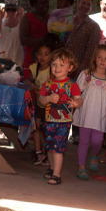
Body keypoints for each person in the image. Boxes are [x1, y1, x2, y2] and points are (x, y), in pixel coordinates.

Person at [73, 44, 106, 180]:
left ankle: (94, 155)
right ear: (95, 58)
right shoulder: (86, 75)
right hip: (85, 115)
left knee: (97, 140)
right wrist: (74, 102)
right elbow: (76, 91)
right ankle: (81, 167)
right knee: (83, 141)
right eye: (100, 57)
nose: (102, 61)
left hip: (100, 118)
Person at [38, 48, 82, 185]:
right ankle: (51, 168)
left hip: (64, 122)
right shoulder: (48, 83)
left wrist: (76, 103)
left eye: (62, 65)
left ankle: (57, 175)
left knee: (58, 147)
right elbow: (41, 99)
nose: (57, 68)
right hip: (49, 120)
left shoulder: (72, 84)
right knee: (50, 146)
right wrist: (48, 98)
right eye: (54, 64)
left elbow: (79, 99)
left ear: (70, 68)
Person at [25, 36, 60, 166]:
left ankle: (46, 152)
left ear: (52, 56)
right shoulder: (34, 68)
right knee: (36, 127)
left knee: (47, 129)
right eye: (40, 54)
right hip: (37, 104)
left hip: (50, 105)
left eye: (46, 54)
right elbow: (28, 79)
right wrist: (31, 84)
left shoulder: (53, 69)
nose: (42, 57)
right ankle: (39, 153)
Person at [67, 0, 101, 78]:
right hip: (61, 68)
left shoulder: (94, 27)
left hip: (78, 73)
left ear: (91, 7)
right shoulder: (67, 21)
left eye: (88, 4)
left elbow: (91, 53)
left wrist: (79, 72)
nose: (85, 6)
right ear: (78, 3)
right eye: (83, 3)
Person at [19, 0, 50, 80]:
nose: (45, 5)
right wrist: (45, 40)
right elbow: (23, 39)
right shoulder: (27, 18)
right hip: (31, 59)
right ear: (34, 4)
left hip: (47, 61)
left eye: (47, 2)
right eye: (42, 3)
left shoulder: (52, 18)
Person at [0, 0, 24, 67]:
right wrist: (1, 17)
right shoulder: (1, 22)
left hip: (16, 60)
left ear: (17, 9)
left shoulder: (22, 23)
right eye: (8, 9)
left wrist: (20, 18)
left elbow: (24, 38)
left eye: (13, 9)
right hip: (1, 60)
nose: (10, 12)